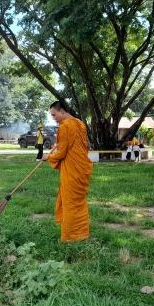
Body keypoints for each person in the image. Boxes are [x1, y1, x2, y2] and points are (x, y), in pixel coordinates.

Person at [43, 101, 93, 242]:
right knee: (79, 201)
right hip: (81, 167)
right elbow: (74, 145)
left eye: (54, 115)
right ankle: (82, 233)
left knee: (71, 202)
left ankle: (71, 237)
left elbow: (62, 153)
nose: (54, 118)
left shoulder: (65, 126)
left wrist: (48, 157)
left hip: (72, 168)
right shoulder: (80, 123)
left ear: (62, 111)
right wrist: (58, 145)